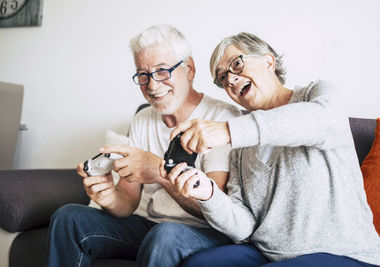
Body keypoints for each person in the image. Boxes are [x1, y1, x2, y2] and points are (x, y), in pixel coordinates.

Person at [163, 32, 380, 266]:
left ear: (268, 61)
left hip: (345, 254)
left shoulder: (316, 95)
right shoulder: (243, 146)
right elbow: (244, 227)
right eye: (222, 78)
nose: (230, 80)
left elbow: (323, 120)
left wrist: (229, 130)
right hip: (268, 253)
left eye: (236, 65)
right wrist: (208, 194)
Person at [46, 25, 241, 267]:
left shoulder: (222, 118)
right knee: (69, 217)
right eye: (143, 74)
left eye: (161, 71)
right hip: (150, 226)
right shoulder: (142, 119)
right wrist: (108, 197)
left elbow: (215, 210)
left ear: (189, 69)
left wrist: (159, 173)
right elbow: (128, 201)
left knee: (165, 235)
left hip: (203, 232)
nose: (151, 85)